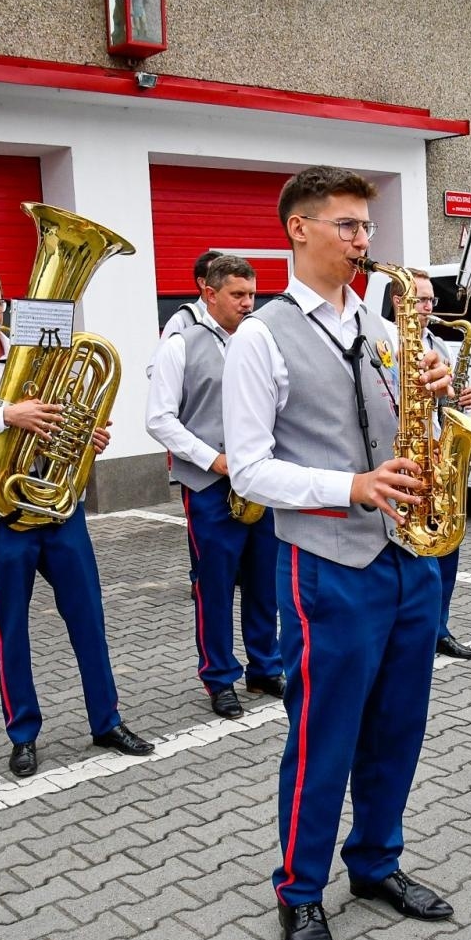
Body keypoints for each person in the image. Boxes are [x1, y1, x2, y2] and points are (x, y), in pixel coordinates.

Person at [222, 165, 454, 940]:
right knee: (324, 737)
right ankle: (298, 891)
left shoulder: (388, 330)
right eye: (348, 226)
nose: (364, 241)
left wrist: (438, 386)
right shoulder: (260, 335)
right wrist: (350, 486)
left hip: (406, 556)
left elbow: (411, 426)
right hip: (327, 563)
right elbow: (249, 471)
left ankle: (377, 863)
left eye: (367, 227)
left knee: (399, 726)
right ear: (298, 229)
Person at [0, 266, 154, 779]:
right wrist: (6, 416)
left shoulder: (45, 353)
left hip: (59, 507)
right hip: (2, 513)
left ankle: (107, 720)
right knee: (11, 627)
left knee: (89, 617)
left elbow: (63, 419)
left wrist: (85, 433)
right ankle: (23, 734)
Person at [145, 254, 284, 719]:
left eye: (252, 295)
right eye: (238, 295)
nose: (249, 304)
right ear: (209, 293)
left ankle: (265, 666)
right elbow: (159, 419)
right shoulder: (180, 343)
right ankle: (219, 677)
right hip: (210, 485)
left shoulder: (259, 338)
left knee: (265, 581)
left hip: (260, 481)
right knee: (216, 585)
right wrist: (214, 459)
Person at [386, 270, 471, 661]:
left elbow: (444, 402)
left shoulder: (437, 343)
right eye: (421, 300)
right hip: (405, 455)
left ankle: (439, 627)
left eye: (430, 301)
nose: (429, 308)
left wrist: (460, 398)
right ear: (400, 302)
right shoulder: (385, 342)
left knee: (447, 546)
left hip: (437, 453)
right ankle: (412, 629)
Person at [160, 250, 224, 338]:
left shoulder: (239, 318)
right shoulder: (181, 321)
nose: (226, 281)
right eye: (219, 276)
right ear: (202, 282)